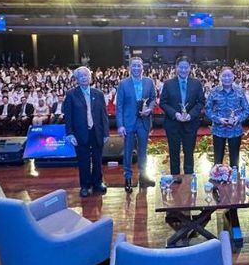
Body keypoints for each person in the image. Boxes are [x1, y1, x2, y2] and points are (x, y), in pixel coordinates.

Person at [64, 66, 110, 198]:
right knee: (83, 160)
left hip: (97, 131)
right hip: (80, 133)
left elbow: (103, 115)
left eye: (86, 75)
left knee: (97, 159)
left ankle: (97, 183)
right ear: (77, 79)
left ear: (90, 77)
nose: (84, 78)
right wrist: (70, 133)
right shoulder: (71, 94)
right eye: (81, 76)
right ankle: (85, 185)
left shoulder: (98, 94)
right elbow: (68, 116)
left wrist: (106, 133)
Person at [159, 56, 206, 178]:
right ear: (176, 68)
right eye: (181, 67)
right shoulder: (168, 84)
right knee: (174, 153)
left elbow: (201, 102)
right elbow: (163, 102)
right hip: (173, 124)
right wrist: (175, 114)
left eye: (186, 67)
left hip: (190, 124)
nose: (183, 70)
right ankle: (175, 179)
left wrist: (191, 115)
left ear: (190, 68)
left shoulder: (196, 83)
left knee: (189, 153)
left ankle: (188, 179)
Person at [116, 57, 156, 192]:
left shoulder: (149, 82)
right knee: (128, 152)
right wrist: (120, 125)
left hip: (144, 122)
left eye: (139, 65)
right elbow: (119, 106)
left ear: (142, 67)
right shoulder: (123, 84)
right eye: (134, 66)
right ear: (129, 67)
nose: (137, 68)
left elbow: (153, 98)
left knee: (143, 151)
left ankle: (143, 177)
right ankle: (127, 177)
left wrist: (149, 109)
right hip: (128, 123)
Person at [205, 67, 249, 168]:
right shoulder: (214, 91)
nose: (227, 78)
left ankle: (234, 177)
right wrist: (218, 119)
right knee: (217, 161)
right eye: (224, 76)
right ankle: (218, 177)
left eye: (229, 76)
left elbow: (246, 110)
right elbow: (207, 109)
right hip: (218, 130)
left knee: (235, 161)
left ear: (233, 77)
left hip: (235, 130)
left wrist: (238, 118)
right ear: (220, 77)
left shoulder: (239, 91)